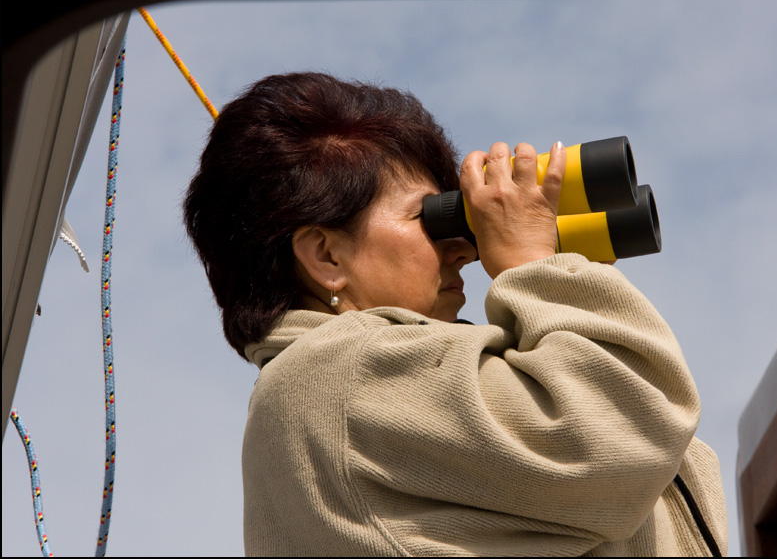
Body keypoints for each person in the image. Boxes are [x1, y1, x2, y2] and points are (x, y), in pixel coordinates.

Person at [183, 72, 728, 556]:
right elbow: (626, 437)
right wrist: (540, 268)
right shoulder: (338, 374)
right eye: (428, 218)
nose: (463, 249)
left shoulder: (352, 384)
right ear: (326, 256)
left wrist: (560, 294)